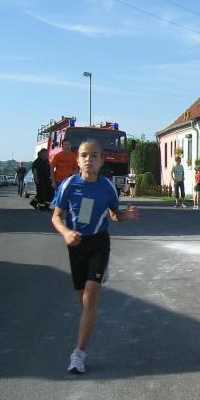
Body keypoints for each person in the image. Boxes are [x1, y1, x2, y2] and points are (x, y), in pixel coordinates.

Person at [51, 139, 139, 373]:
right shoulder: (69, 185)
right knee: (82, 299)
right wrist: (66, 233)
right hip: (76, 244)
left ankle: (78, 355)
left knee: (90, 297)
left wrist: (126, 216)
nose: (88, 159)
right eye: (84, 155)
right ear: (77, 160)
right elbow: (56, 217)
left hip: (99, 242)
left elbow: (114, 214)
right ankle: (95, 281)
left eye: (94, 155)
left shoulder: (107, 187)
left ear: (101, 160)